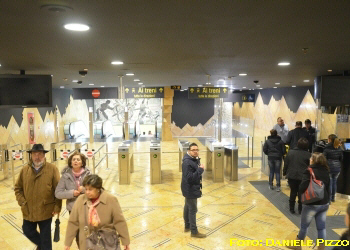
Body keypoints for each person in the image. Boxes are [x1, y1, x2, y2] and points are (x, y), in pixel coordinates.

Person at [14, 144, 62, 250]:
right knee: (27, 230)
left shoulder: (52, 169)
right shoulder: (25, 170)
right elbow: (18, 188)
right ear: (31, 155)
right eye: (34, 154)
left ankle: (44, 247)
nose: (37, 157)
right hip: (29, 209)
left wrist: (57, 207)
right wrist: (22, 202)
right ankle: (43, 246)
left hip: (46, 210)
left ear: (44, 155)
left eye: (40, 154)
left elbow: (58, 190)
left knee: (45, 237)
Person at [64, 174, 130, 250]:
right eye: (86, 189)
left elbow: (119, 221)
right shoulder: (80, 200)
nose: (87, 192)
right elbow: (73, 222)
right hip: (86, 243)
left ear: (98, 189)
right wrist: (68, 243)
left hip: (106, 243)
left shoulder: (111, 200)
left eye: (90, 189)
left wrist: (125, 241)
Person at [287, 153, 330, 250]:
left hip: (312, 203)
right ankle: (321, 248)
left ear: (314, 160)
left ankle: (297, 245)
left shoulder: (309, 170)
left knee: (304, 226)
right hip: (324, 203)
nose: (309, 159)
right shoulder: (326, 170)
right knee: (321, 228)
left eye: (311, 158)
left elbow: (303, 187)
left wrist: (301, 194)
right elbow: (328, 187)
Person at [55, 151, 91, 248]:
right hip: (73, 208)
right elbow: (58, 193)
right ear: (70, 162)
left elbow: (97, 189)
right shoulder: (65, 176)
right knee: (78, 232)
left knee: (88, 230)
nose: (75, 161)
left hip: (87, 206)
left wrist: (84, 189)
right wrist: (71, 193)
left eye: (78, 159)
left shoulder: (88, 174)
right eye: (73, 159)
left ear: (82, 162)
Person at [181, 142, 206, 238]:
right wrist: (200, 170)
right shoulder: (187, 162)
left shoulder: (193, 159)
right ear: (189, 151)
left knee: (187, 206)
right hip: (190, 189)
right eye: (193, 150)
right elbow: (190, 178)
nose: (195, 152)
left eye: (197, 150)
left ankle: (187, 226)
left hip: (189, 188)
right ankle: (194, 232)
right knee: (193, 209)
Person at [283, 138, 311, 214]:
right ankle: (300, 209)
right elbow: (310, 167)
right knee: (301, 193)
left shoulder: (290, 152)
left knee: (293, 192)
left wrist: (284, 172)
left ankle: (291, 208)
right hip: (303, 177)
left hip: (291, 175)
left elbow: (286, 163)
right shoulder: (308, 155)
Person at [323, 134, 343, 203]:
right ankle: (333, 198)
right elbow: (341, 159)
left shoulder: (327, 148)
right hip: (337, 168)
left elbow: (323, 158)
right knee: (334, 182)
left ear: (330, 140)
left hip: (329, 167)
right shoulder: (339, 148)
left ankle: (328, 199)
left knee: (330, 183)